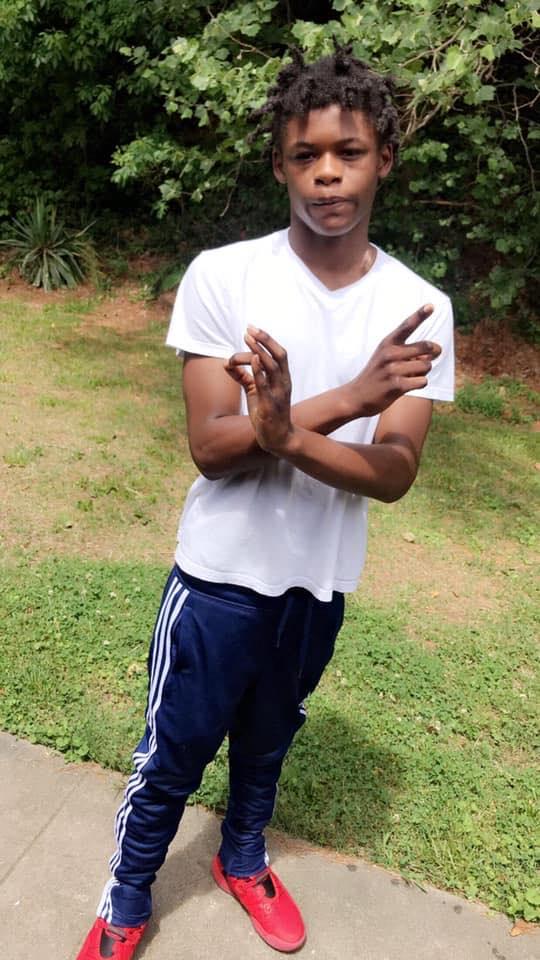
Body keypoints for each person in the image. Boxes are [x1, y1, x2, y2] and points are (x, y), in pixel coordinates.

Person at [75, 45, 454, 960]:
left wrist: (286, 434)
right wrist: (342, 403)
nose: (328, 172)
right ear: (280, 166)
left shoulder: (420, 306)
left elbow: (394, 472)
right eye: (305, 154)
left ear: (384, 158)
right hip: (219, 579)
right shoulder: (225, 275)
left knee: (270, 741)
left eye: (349, 152)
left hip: (318, 583)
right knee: (172, 752)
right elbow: (213, 450)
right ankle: (126, 899)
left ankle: (241, 858)